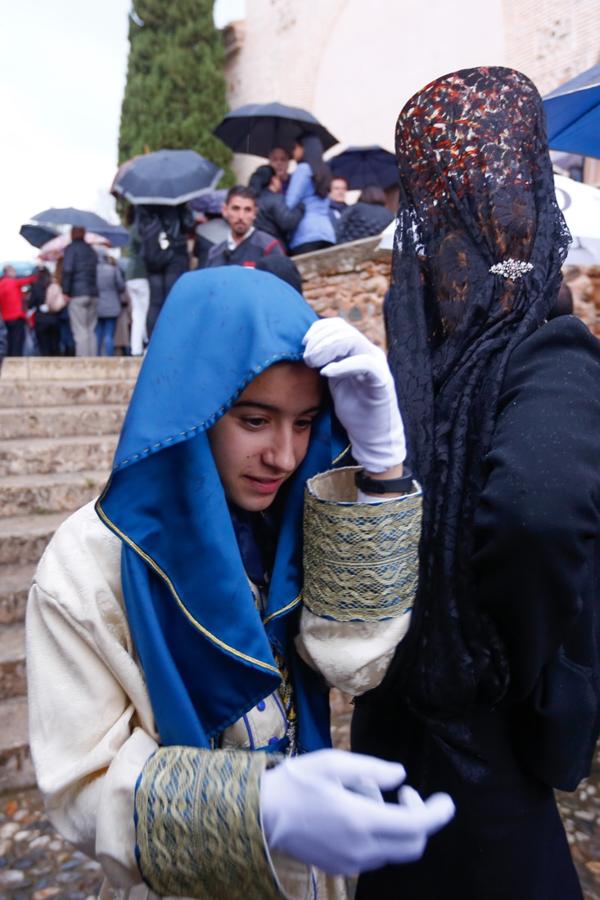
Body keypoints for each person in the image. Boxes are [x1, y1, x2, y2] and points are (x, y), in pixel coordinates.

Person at [26, 267, 454, 900]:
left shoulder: (296, 522)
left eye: (305, 422)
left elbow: (354, 663)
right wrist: (256, 808)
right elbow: (79, 789)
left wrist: (384, 469)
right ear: (193, 409)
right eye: (255, 420)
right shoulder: (88, 560)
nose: (283, 456)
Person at [352, 66, 600, 900]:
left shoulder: (429, 365)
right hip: (476, 743)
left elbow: (535, 513)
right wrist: (509, 666)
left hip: (412, 738)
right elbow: (538, 518)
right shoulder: (545, 348)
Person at [137, 203, 193, 338]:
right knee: (173, 300)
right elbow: (188, 224)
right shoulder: (178, 199)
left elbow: (140, 229)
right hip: (175, 251)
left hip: (153, 252)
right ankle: (172, 341)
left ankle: (153, 345)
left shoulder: (143, 201)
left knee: (155, 302)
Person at [206, 186, 285, 267]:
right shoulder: (215, 253)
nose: (241, 216)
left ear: (255, 213)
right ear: (225, 210)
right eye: (235, 208)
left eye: (247, 210)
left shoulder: (269, 247)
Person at [286, 135, 336, 256]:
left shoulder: (303, 169)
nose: (293, 152)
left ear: (304, 149)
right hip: (327, 234)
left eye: (295, 148)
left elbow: (290, 202)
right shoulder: (325, 171)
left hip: (305, 233)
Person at [248, 164, 304, 251]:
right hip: (273, 247)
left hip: (255, 247)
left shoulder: (252, 201)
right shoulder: (275, 199)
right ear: (273, 180)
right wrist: (300, 208)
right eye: (278, 178)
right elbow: (287, 222)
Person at [62, 227, 99, 356]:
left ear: (72, 234)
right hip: (93, 293)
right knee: (91, 330)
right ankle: (93, 360)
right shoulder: (91, 250)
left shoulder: (71, 249)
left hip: (77, 294)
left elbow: (67, 270)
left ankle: (84, 362)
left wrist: (65, 291)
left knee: (80, 330)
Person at [124, 206, 150, 356]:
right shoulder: (140, 229)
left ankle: (136, 348)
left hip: (130, 274)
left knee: (137, 313)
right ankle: (144, 345)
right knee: (145, 311)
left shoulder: (131, 229)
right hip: (141, 273)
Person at [0, 264, 37, 356]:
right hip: (17, 317)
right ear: (8, 272)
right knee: (18, 341)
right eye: (13, 271)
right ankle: (16, 361)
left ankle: (8, 360)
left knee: (8, 340)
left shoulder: (1, 284)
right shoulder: (14, 282)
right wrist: (37, 273)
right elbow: (29, 280)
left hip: (5, 318)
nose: (15, 273)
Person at [95, 250, 126, 356]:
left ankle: (97, 355)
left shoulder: (93, 271)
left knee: (98, 333)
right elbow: (121, 286)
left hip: (98, 305)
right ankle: (109, 356)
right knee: (109, 333)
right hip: (112, 305)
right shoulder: (113, 270)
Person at [29, 265, 61, 356]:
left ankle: (46, 366)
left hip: (41, 319)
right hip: (54, 317)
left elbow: (31, 303)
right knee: (55, 345)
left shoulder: (36, 286)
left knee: (44, 346)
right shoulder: (53, 285)